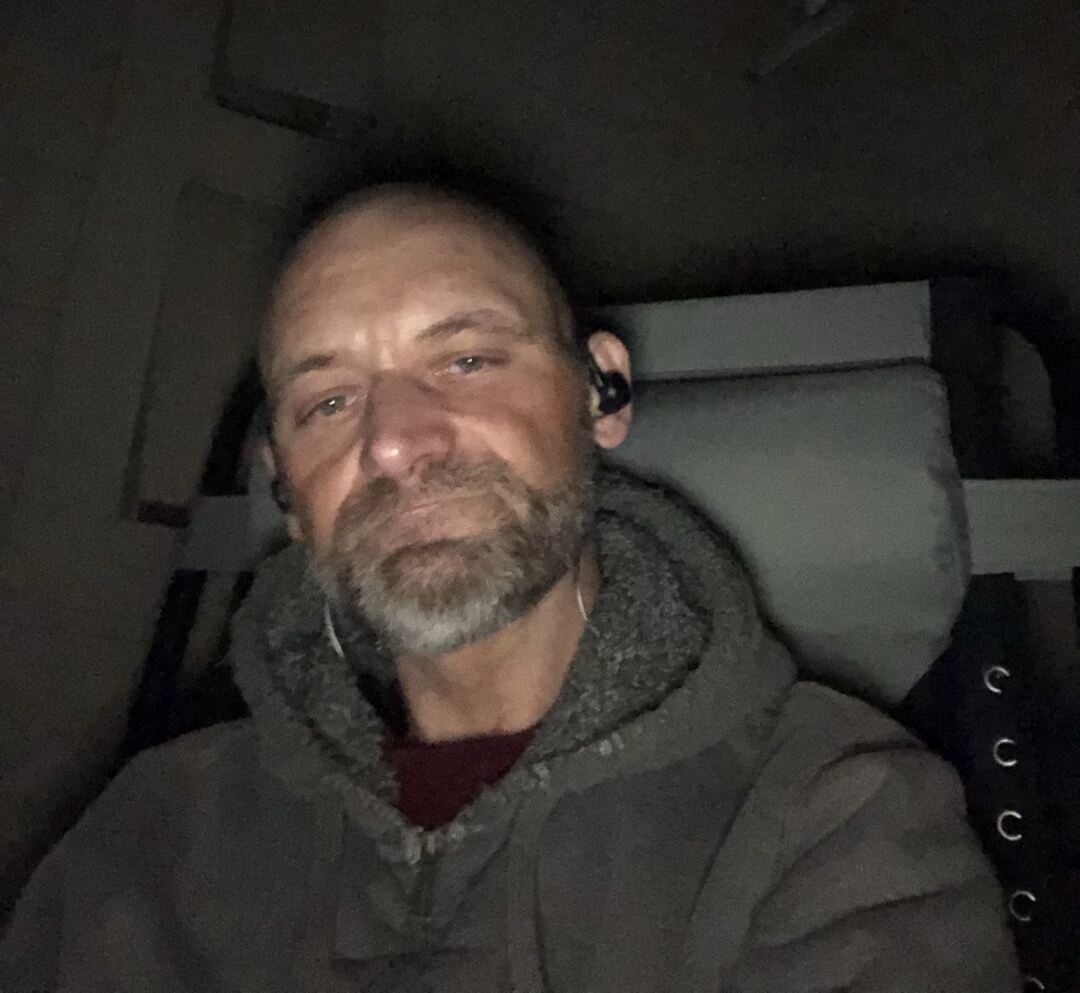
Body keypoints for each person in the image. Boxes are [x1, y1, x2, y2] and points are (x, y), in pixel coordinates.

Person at [1, 183, 1019, 991]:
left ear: (601, 392)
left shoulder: (835, 817)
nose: (394, 440)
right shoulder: (150, 841)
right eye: (329, 401)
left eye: (468, 358)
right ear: (288, 492)